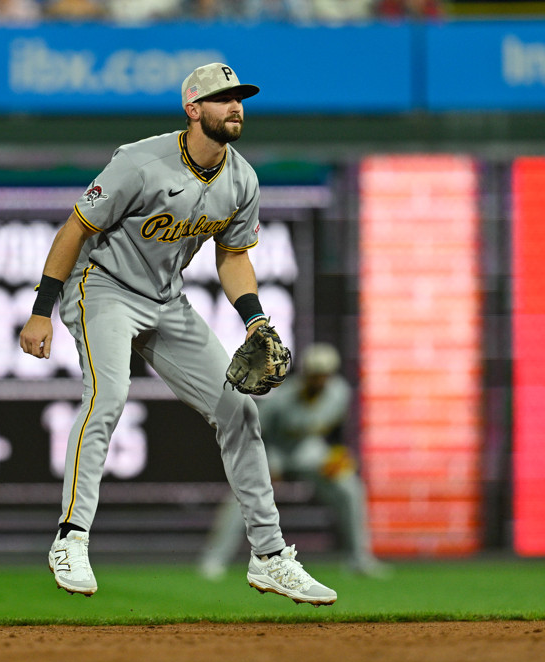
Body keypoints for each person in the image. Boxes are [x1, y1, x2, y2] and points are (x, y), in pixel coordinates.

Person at [19, 62, 337, 606]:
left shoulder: (241, 179)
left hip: (167, 299)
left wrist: (255, 320)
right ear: (193, 109)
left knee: (239, 410)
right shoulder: (140, 162)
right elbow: (76, 227)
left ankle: (269, 557)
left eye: (240, 98)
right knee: (108, 396)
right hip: (105, 288)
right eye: (222, 99)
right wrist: (42, 309)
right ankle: (71, 538)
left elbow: (233, 257)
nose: (235, 107)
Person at [200, 343, 391, 579]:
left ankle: (359, 559)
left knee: (350, 489)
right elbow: (257, 432)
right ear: (306, 374)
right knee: (244, 497)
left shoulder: (339, 392)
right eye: (315, 375)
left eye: (324, 375)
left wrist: (340, 453)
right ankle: (214, 560)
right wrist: (267, 464)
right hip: (276, 452)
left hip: (310, 451)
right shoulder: (282, 397)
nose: (319, 380)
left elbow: (338, 430)